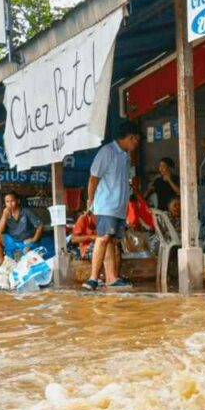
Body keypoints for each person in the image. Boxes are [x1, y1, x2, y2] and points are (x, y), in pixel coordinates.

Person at [84, 120, 141, 291]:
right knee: (103, 238)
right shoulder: (107, 152)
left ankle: (111, 277)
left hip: (118, 207)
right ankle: (92, 278)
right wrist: (90, 202)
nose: (137, 144)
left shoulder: (125, 156)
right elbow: (93, 178)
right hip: (106, 205)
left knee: (111, 241)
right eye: (136, 140)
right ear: (130, 138)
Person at [0, 191, 45, 262]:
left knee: (29, 256)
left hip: (25, 241)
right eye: (7, 202)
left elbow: (40, 225)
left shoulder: (26, 212)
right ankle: (1, 261)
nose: (10, 204)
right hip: (12, 240)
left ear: (18, 201)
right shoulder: (6, 213)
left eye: (12, 201)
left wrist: (34, 239)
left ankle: (22, 259)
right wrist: (4, 216)